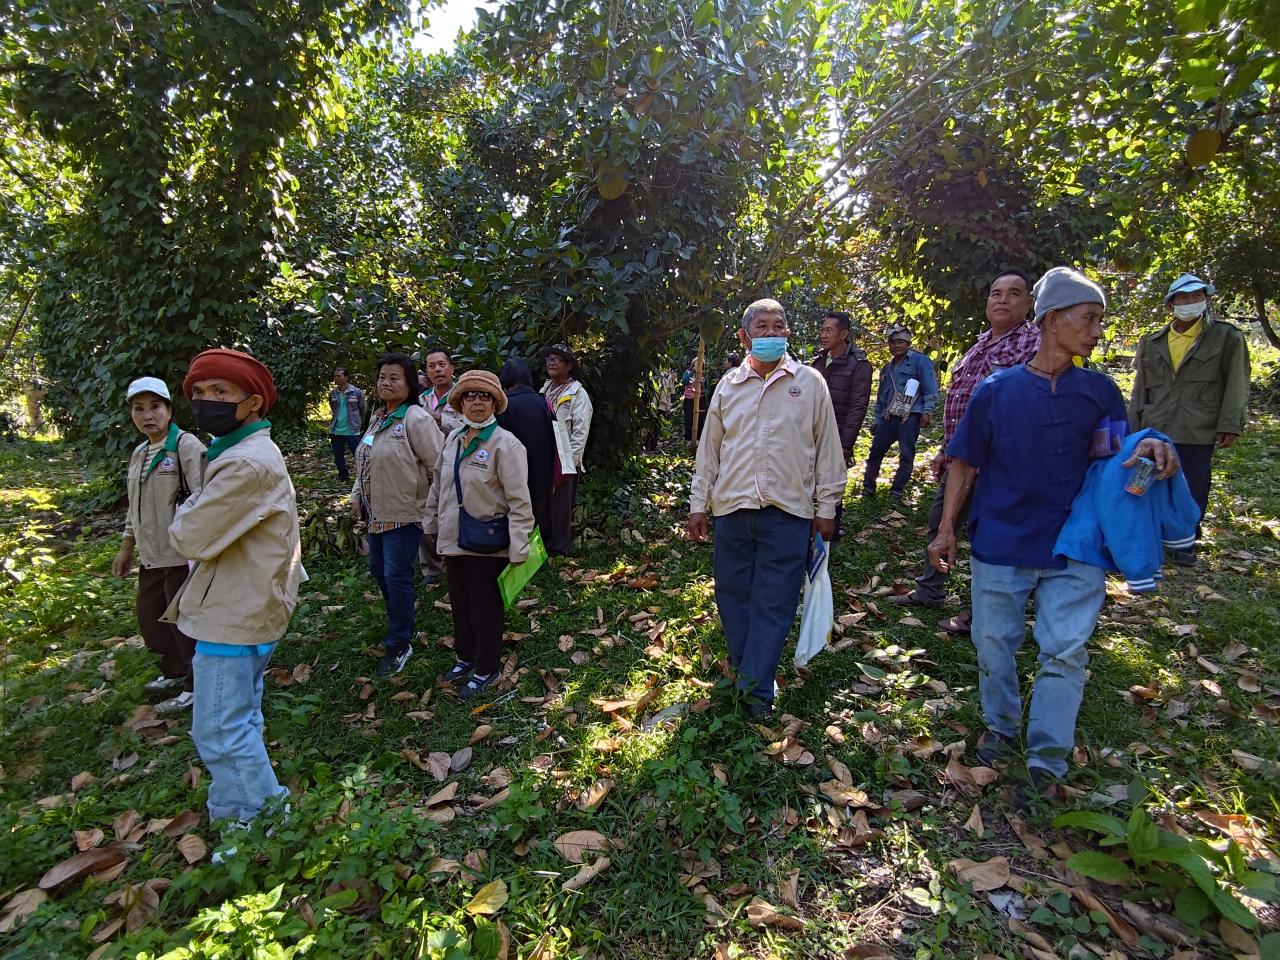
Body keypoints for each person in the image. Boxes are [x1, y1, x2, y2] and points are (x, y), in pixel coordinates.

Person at [927, 267, 1179, 799]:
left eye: (1098, 321)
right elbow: (964, 463)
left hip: (1074, 542)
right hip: (1001, 538)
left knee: (1065, 652)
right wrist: (946, 529)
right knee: (993, 642)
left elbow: (1114, 458)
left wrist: (1150, 449)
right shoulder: (997, 391)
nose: (1095, 331)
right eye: (1087, 319)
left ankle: (1046, 758)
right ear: (1052, 320)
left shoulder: (1100, 392)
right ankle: (999, 726)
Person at [166, 348, 303, 852]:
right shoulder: (231, 452)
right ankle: (238, 816)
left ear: (253, 403)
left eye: (221, 393)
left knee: (220, 730)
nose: (207, 403)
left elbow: (190, 537)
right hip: (240, 602)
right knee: (239, 719)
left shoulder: (246, 463)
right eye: (200, 393)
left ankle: (267, 821)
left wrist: (187, 509)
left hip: (235, 612)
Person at [688, 299, 845, 716]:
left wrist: (827, 506)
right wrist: (698, 503)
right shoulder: (728, 385)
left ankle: (755, 693)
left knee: (774, 601)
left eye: (779, 326)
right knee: (733, 596)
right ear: (745, 336)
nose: (772, 333)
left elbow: (828, 448)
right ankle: (747, 672)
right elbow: (710, 449)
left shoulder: (810, 383)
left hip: (789, 511)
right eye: (762, 327)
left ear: (789, 334)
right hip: (732, 509)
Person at [892, 270, 1040, 633]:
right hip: (961, 457)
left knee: (988, 536)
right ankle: (930, 590)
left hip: (1000, 461)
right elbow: (959, 403)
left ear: (1029, 303)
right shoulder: (978, 346)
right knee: (941, 521)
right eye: (995, 293)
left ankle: (981, 610)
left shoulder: (1033, 343)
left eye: (1013, 294)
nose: (1002, 300)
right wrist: (946, 449)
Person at [425, 370, 535, 701]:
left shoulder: (506, 444)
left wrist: (520, 546)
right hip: (454, 538)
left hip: (488, 542)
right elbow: (438, 485)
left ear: (495, 403)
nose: (476, 402)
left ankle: (487, 667)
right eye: (470, 396)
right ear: (459, 402)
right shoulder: (453, 439)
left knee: (486, 607)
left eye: (484, 396)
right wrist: (430, 522)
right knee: (460, 603)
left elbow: (519, 500)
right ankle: (466, 656)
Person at [1128, 273, 1250, 566]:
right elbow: (1139, 387)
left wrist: (1230, 423)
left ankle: (1185, 541)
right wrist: (1132, 427)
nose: (1191, 303)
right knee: (1147, 479)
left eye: (1197, 297)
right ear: (1171, 305)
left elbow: (1237, 382)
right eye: (1184, 298)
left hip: (1197, 424)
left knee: (1193, 482)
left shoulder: (1226, 337)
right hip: (1156, 423)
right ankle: (1151, 535)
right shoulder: (1154, 341)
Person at [112, 377, 206, 714]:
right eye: (139, 409)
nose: (147, 415)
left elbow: (205, 498)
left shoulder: (186, 446)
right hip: (151, 557)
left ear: (169, 410)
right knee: (151, 619)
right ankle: (175, 673)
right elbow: (134, 507)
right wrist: (126, 548)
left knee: (185, 624)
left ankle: (197, 686)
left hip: (182, 556)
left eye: (155, 406)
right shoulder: (139, 453)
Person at [352, 353, 444, 676]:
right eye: (382, 378)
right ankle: (404, 622)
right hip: (375, 513)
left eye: (394, 378)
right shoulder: (378, 418)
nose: (386, 383)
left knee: (396, 574)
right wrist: (355, 494)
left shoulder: (415, 419)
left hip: (406, 514)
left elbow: (439, 466)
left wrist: (431, 511)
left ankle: (399, 644)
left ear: (409, 384)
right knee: (379, 571)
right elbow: (365, 457)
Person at [812, 310, 872, 540]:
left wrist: (846, 443)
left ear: (844, 333)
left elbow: (858, 406)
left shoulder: (859, 365)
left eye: (829, 330)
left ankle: (831, 530)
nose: (823, 335)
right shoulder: (818, 361)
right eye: (822, 330)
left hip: (838, 432)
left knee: (832, 480)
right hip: (813, 432)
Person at [862, 325, 938, 504]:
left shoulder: (920, 361)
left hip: (910, 416)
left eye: (900, 342)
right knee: (875, 452)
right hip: (889, 416)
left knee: (906, 454)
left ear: (908, 343)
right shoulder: (887, 368)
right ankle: (868, 487)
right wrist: (877, 418)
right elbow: (882, 396)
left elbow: (930, 387)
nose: (896, 346)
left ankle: (896, 491)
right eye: (892, 343)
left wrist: (927, 411)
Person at [541, 343, 593, 556]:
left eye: (557, 359)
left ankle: (559, 549)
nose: (551, 363)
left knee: (561, 507)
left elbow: (580, 431)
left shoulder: (578, 394)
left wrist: (569, 463)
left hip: (565, 458)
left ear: (569, 366)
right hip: (545, 454)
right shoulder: (544, 389)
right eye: (549, 359)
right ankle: (543, 544)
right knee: (544, 503)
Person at [498, 357, 557, 540]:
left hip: (513, 473)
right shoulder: (544, 403)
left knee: (514, 514)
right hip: (542, 472)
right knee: (538, 514)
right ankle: (536, 553)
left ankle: (514, 552)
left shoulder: (504, 406)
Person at [327, 367, 367, 482]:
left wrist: (357, 422)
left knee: (358, 454)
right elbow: (333, 408)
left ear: (346, 377)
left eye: (339, 376)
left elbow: (363, 409)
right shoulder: (333, 393)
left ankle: (362, 476)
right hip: (336, 430)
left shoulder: (357, 392)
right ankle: (343, 476)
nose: (336, 379)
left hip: (352, 430)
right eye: (335, 376)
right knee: (338, 456)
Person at [422, 349, 465, 436]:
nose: (437, 369)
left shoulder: (465, 396)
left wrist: (440, 419)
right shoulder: (421, 399)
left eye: (442, 365)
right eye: (432, 366)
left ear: (452, 369)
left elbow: (470, 429)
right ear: (427, 372)